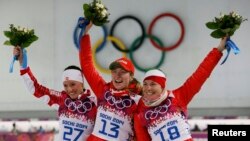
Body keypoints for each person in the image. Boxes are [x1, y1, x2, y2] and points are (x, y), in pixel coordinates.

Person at [134, 37, 228, 141]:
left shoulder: (178, 96)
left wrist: (219, 49)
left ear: (162, 86)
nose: (148, 88)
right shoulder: (140, 114)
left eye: (153, 84)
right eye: (145, 84)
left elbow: (201, 73)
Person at [13, 47, 97, 141]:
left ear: (82, 83)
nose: (69, 89)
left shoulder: (95, 104)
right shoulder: (62, 99)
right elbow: (35, 89)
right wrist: (23, 65)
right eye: (65, 85)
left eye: (73, 84)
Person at [79, 21, 142, 141]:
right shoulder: (103, 90)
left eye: (122, 72)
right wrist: (85, 34)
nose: (117, 76)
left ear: (131, 76)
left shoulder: (138, 102)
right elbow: (87, 66)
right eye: (114, 71)